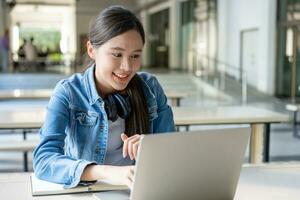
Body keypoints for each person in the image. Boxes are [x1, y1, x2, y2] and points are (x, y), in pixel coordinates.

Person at [33, 5, 175, 189]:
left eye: (135, 56)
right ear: (92, 50)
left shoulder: (150, 88)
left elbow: (172, 150)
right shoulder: (68, 92)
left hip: (141, 189)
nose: (127, 67)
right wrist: (106, 172)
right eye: (117, 54)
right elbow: (44, 160)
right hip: (88, 191)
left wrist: (153, 147)